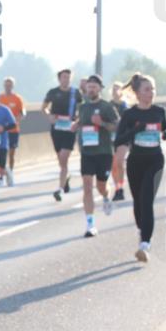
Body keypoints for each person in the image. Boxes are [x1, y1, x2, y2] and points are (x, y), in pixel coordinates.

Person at [114, 73, 166, 262]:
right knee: (138, 202)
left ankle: (145, 244)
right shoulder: (130, 115)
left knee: (146, 200)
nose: (151, 93)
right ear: (137, 93)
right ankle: (142, 230)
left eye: (153, 89)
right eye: (147, 89)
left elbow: (165, 127)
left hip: (155, 161)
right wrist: (136, 130)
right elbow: (119, 140)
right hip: (136, 162)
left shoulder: (159, 111)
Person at [73, 75, 119, 237]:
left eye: (94, 87)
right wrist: (76, 125)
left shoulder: (106, 107)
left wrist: (102, 123)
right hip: (87, 152)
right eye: (89, 87)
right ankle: (90, 224)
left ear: (100, 89)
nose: (91, 89)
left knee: (101, 186)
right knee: (87, 186)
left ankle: (106, 196)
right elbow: (82, 121)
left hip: (104, 152)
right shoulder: (83, 107)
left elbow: (116, 126)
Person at [42, 69, 83, 201]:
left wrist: (77, 120)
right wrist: (49, 116)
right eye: (64, 77)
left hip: (70, 128)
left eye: (68, 77)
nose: (66, 79)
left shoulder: (75, 93)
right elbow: (43, 108)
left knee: (64, 156)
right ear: (59, 79)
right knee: (61, 159)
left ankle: (59, 190)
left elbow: (82, 109)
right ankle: (66, 176)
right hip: (57, 128)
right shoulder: (53, 92)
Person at [0, 77, 25, 185]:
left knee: (11, 154)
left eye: (10, 85)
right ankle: (1, 176)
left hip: (13, 130)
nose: (8, 87)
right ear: (4, 86)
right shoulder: (0, 98)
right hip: (3, 131)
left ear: (13, 86)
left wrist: (17, 120)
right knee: (1, 154)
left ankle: (10, 173)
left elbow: (22, 112)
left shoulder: (17, 98)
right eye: (6, 85)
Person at [110, 82, 129, 201]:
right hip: (110, 138)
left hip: (123, 138)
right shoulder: (108, 105)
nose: (115, 91)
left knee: (119, 163)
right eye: (113, 89)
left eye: (117, 89)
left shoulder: (124, 106)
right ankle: (117, 187)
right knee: (113, 166)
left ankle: (121, 188)